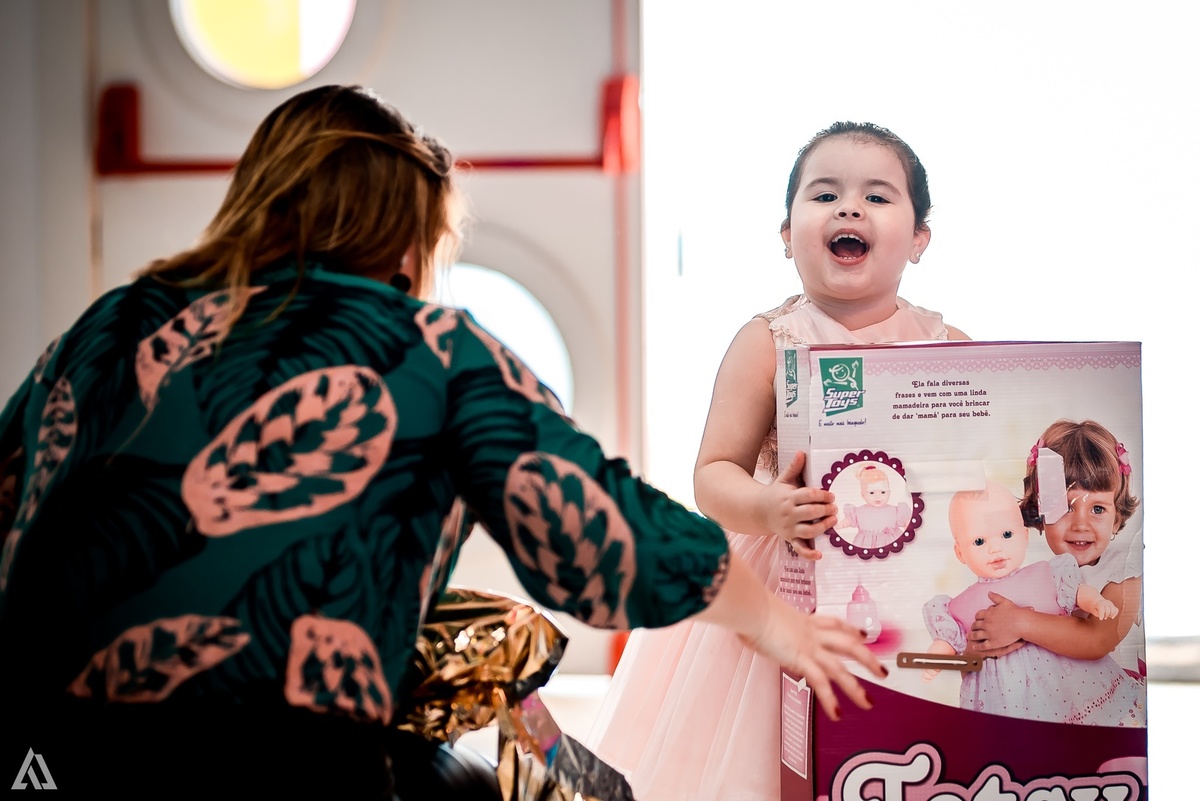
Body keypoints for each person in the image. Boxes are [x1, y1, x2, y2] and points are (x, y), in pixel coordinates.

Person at [0, 86, 885, 799]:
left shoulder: (110, 325)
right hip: (272, 761)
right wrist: (779, 624)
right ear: (404, 237)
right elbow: (605, 535)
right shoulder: (427, 350)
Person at [587, 121, 968, 801]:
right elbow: (713, 474)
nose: (850, 207)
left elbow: (976, 456)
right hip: (785, 574)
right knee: (772, 757)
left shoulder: (948, 343)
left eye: (878, 197)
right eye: (825, 194)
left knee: (901, 740)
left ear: (919, 239)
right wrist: (768, 505)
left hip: (906, 574)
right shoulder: (769, 341)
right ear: (788, 233)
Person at [920, 482, 1144, 725]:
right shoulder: (960, 605)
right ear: (960, 552)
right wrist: (935, 660)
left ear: (1024, 536)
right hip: (1006, 698)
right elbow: (948, 642)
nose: (995, 548)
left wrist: (1095, 602)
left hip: (1067, 682)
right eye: (979, 542)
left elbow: (1078, 592)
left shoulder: (1045, 573)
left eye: (1006, 535)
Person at [969, 419, 1147, 718]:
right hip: (1048, 713)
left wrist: (1021, 623)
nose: (1080, 524)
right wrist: (982, 645)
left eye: (1098, 509)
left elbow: (1096, 640)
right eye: (1064, 507)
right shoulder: (1033, 571)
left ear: (1117, 518)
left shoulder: (1123, 573)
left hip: (1106, 710)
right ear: (1039, 513)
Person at [842, 464, 910, 549]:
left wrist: (907, 523)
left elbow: (906, 522)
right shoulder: (859, 511)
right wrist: (844, 523)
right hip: (866, 544)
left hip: (891, 542)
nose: (878, 496)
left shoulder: (895, 510)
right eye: (871, 493)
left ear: (889, 492)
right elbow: (851, 520)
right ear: (863, 495)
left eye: (883, 492)